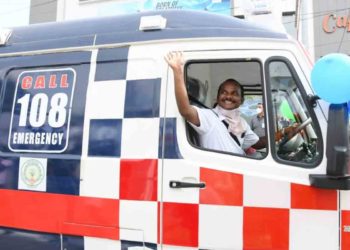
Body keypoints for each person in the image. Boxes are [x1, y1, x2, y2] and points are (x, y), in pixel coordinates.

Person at [165, 51, 259, 155]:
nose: (228, 96)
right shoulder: (208, 117)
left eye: (234, 93)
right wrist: (177, 71)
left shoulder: (242, 123)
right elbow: (185, 111)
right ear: (217, 98)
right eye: (224, 92)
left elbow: (254, 141)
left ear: (241, 100)